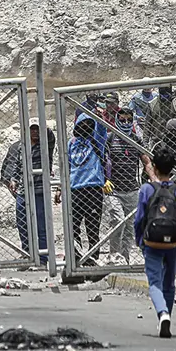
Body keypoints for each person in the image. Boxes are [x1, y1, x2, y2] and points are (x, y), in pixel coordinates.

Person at [135, 148, 176, 338]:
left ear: (154, 167)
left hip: (152, 243)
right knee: (169, 283)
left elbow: (139, 220)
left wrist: (139, 240)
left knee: (154, 282)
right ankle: (167, 315)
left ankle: (163, 314)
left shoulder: (146, 189)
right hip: (174, 244)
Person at [1, 119, 55, 265]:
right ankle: (28, 254)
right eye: (32, 129)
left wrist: (44, 125)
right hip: (23, 191)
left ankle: (43, 258)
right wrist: (13, 179)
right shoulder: (22, 147)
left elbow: (51, 136)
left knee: (41, 225)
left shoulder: (45, 146)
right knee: (22, 223)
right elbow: (18, 165)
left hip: (39, 190)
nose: (35, 132)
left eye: (38, 129)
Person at [103, 107, 144, 265]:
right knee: (117, 221)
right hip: (114, 190)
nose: (126, 123)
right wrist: (104, 179)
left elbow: (146, 161)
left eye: (128, 120)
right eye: (122, 120)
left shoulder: (136, 139)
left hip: (132, 189)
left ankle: (124, 259)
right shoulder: (110, 138)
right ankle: (114, 255)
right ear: (116, 120)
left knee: (129, 228)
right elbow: (102, 160)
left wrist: (154, 178)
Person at [68, 113, 106, 265]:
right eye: (82, 125)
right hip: (75, 189)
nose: (85, 128)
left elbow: (103, 127)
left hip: (93, 188)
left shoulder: (97, 141)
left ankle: (93, 257)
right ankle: (76, 255)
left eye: (89, 125)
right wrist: (60, 188)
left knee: (92, 225)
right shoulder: (71, 143)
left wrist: (97, 114)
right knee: (73, 225)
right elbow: (67, 164)